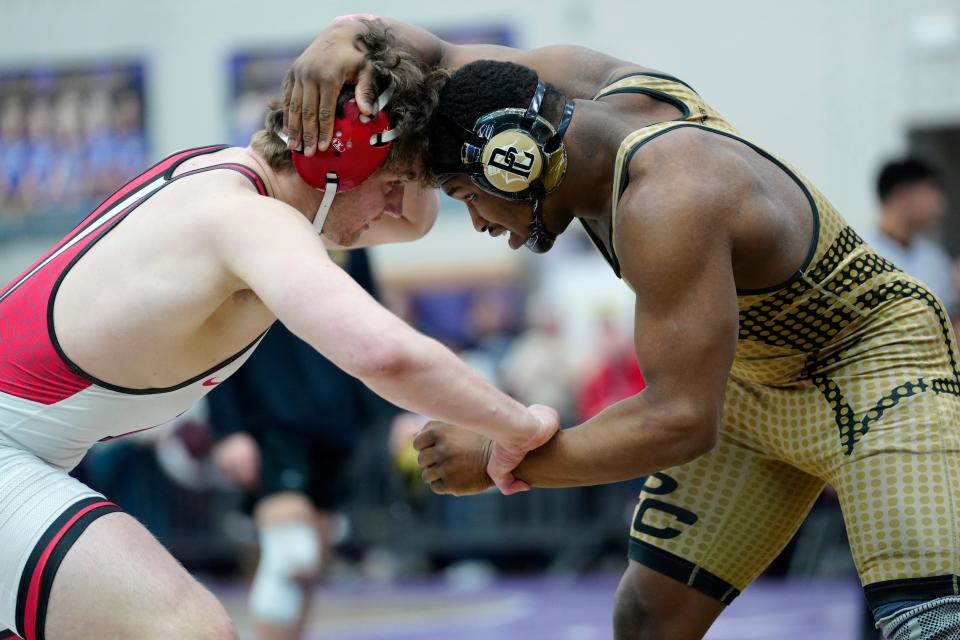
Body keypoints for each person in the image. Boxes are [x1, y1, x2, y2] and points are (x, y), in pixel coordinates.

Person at [285, 16, 960, 640]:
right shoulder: (568, 93)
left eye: (468, 198)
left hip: (874, 369)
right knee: (648, 618)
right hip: (753, 381)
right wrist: (346, 36)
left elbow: (681, 421)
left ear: (513, 162)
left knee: (926, 625)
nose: (483, 225)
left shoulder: (670, 198)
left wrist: (498, 461)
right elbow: (434, 55)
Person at [0, 25, 558, 640]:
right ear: (340, 161)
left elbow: (413, 221)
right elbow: (383, 353)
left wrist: (359, 30)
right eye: (393, 186)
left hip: (31, 452)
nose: (395, 209)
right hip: (9, 454)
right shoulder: (250, 222)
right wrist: (517, 426)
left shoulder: (220, 173)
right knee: (186, 629)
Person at [207, 249, 388, 640]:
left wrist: (390, 411)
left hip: (335, 417)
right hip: (269, 416)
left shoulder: (352, 234)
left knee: (312, 563)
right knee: (292, 555)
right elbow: (215, 332)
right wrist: (228, 428)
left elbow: (374, 318)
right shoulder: (252, 224)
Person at [863, 157, 953, 311]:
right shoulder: (862, 255)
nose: (939, 202)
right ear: (902, 196)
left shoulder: (935, 259)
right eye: (931, 190)